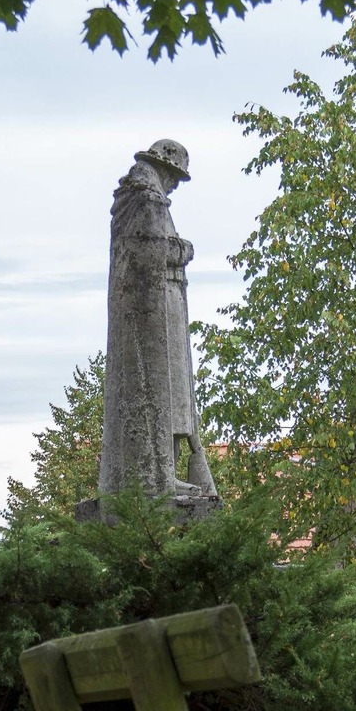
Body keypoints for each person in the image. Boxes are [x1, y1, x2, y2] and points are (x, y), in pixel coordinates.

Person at [100, 139, 217, 500]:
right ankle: (159, 476)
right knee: (163, 391)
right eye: (176, 177)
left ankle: (163, 473)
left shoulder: (136, 198)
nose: (176, 185)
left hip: (154, 306)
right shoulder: (148, 199)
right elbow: (153, 249)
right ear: (165, 169)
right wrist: (184, 249)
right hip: (158, 310)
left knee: (172, 395)